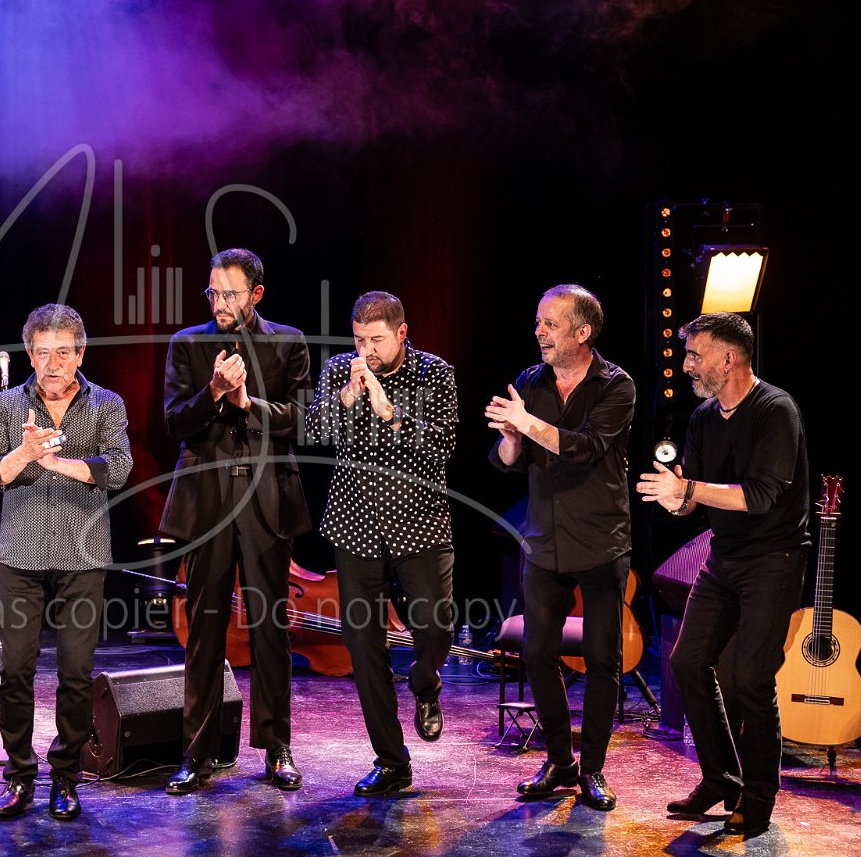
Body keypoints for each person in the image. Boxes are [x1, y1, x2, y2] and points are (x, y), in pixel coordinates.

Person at [636, 311, 809, 837]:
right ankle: (720, 777)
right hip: (724, 555)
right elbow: (696, 493)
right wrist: (677, 499)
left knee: (751, 679)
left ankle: (758, 796)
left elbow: (759, 496)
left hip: (774, 559)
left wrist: (689, 491)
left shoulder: (775, 410)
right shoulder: (704, 417)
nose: (687, 364)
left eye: (696, 354)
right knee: (686, 662)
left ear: (729, 358)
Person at [160, 248, 311, 794]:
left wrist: (247, 403)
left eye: (230, 294)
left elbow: (302, 421)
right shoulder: (187, 344)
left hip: (268, 499)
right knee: (204, 629)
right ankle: (197, 752)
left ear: (256, 294)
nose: (219, 303)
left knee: (271, 629)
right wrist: (214, 393)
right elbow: (175, 421)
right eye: (213, 293)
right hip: (207, 502)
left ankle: (277, 747)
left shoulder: (289, 342)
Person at [0, 304, 131, 821]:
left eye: (63, 353)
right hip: (21, 556)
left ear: (80, 354)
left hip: (83, 558)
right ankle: (19, 773)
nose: (52, 363)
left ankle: (65, 773)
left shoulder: (105, 403)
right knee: (16, 672)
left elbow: (120, 468)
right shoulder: (6, 406)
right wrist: (22, 455)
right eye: (42, 353)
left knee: (76, 673)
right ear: (29, 354)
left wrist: (57, 462)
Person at [485, 284, 635, 811]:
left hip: (600, 539)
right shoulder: (531, 380)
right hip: (544, 540)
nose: (539, 332)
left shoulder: (616, 386)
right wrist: (511, 437)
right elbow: (508, 460)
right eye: (538, 322)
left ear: (582, 332)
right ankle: (559, 761)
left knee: (601, 659)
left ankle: (592, 768)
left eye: (550, 323)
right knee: (537, 652)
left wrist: (528, 423)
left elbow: (586, 448)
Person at [305, 291, 457, 797]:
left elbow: (441, 447)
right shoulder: (339, 371)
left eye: (376, 339)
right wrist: (348, 397)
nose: (366, 350)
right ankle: (391, 760)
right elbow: (311, 432)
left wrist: (387, 410)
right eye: (358, 339)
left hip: (419, 524)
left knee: (434, 626)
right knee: (363, 646)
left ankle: (425, 682)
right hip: (356, 526)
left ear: (401, 333)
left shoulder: (434, 373)